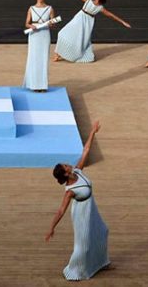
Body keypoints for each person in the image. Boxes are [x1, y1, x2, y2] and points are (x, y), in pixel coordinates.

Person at [44, 120, 108, 280]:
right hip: (81, 214)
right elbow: (60, 211)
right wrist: (52, 228)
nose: (69, 165)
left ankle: (101, 263)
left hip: (91, 208)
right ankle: (73, 272)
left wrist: (92, 132)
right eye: (66, 166)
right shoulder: (70, 191)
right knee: (83, 246)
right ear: (65, 174)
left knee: (102, 232)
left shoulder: (78, 171)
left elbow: (85, 151)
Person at [53, 0, 131, 63]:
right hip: (78, 19)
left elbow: (111, 15)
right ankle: (57, 53)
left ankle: (61, 54)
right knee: (62, 33)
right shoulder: (88, 0)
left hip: (87, 24)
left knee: (80, 40)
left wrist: (123, 22)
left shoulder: (100, 8)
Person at [24, 0, 56, 91]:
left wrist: (51, 24)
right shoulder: (31, 8)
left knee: (43, 59)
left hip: (44, 34)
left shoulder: (50, 8)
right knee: (33, 58)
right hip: (34, 35)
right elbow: (26, 23)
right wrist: (31, 26)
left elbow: (53, 24)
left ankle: (42, 85)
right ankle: (33, 84)